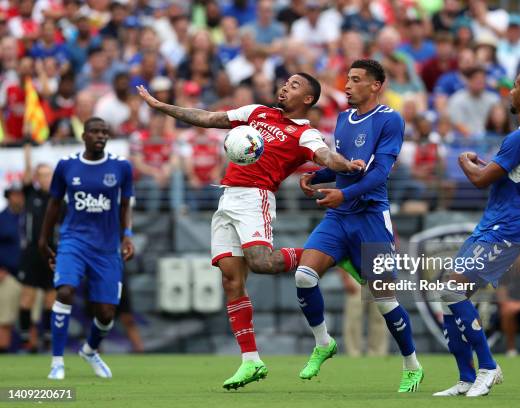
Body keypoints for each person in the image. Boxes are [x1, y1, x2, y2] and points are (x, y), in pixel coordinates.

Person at [137, 72, 363, 390]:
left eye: (295, 85)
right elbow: (207, 117)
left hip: (256, 197)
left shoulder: (303, 133)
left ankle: (332, 256)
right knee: (231, 279)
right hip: (227, 196)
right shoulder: (256, 112)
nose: (285, 86)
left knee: (261, 261)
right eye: (286, 82)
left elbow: (325, 155)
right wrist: (161, 105)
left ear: (308, 100)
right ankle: (251, 360)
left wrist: (344, 165)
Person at [297, 59, 424, 392]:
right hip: (340, 217)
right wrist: (317, 176)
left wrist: (342, 193)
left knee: (384, 301)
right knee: (304, 275)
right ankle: (323, 343)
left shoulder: (390, 120)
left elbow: (379, 173)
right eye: (347, 78)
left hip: (370, 216)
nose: (347, 85)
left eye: (355, 80)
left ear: (375, 85)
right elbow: (344, 166)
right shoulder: (343, 118)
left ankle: (411, 364)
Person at [434, 68, 520, 397]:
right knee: (448, 296)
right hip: (496, 225)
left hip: (504, 229)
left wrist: (465, 161)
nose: (510, 92)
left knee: (451, 289)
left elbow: (479, 179)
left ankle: (488, 367)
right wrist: (484, 163)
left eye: (515, 87)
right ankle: (465, 377)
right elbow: (509, 173)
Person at [38, 117, 135, 380]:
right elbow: (54, 204)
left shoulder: (121, 167)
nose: (100, 136)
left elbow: (126, 205)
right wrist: (43, 239)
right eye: (95, 131)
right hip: (73, 241)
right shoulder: (67, 165)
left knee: (106, 313)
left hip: (106, 248)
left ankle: (90, 350)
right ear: (84, 135)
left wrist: (127, 235)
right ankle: (57, 362)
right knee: (66, 291)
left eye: (105, 132)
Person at [17, 144, 55, 352]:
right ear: (37, 178)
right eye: (42, 175)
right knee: (27, 296)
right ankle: (25, 336)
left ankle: (48, 336)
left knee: (51, 297)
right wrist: (27, 152)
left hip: (52, 251)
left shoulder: (58, 200)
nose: (46, 178)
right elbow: (26, 175)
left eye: (49, 174)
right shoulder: (31, 194)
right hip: (32, 252)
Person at [0, 184, 25, 353]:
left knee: (33, 316)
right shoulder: (1, 218)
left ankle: (35, 353)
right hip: (7, 272)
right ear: (8, 197)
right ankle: (2, 350)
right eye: (15, 195)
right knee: (5, 317)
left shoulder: (30, 216)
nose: (18, 198)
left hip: (31, 273)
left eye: (21, 194)